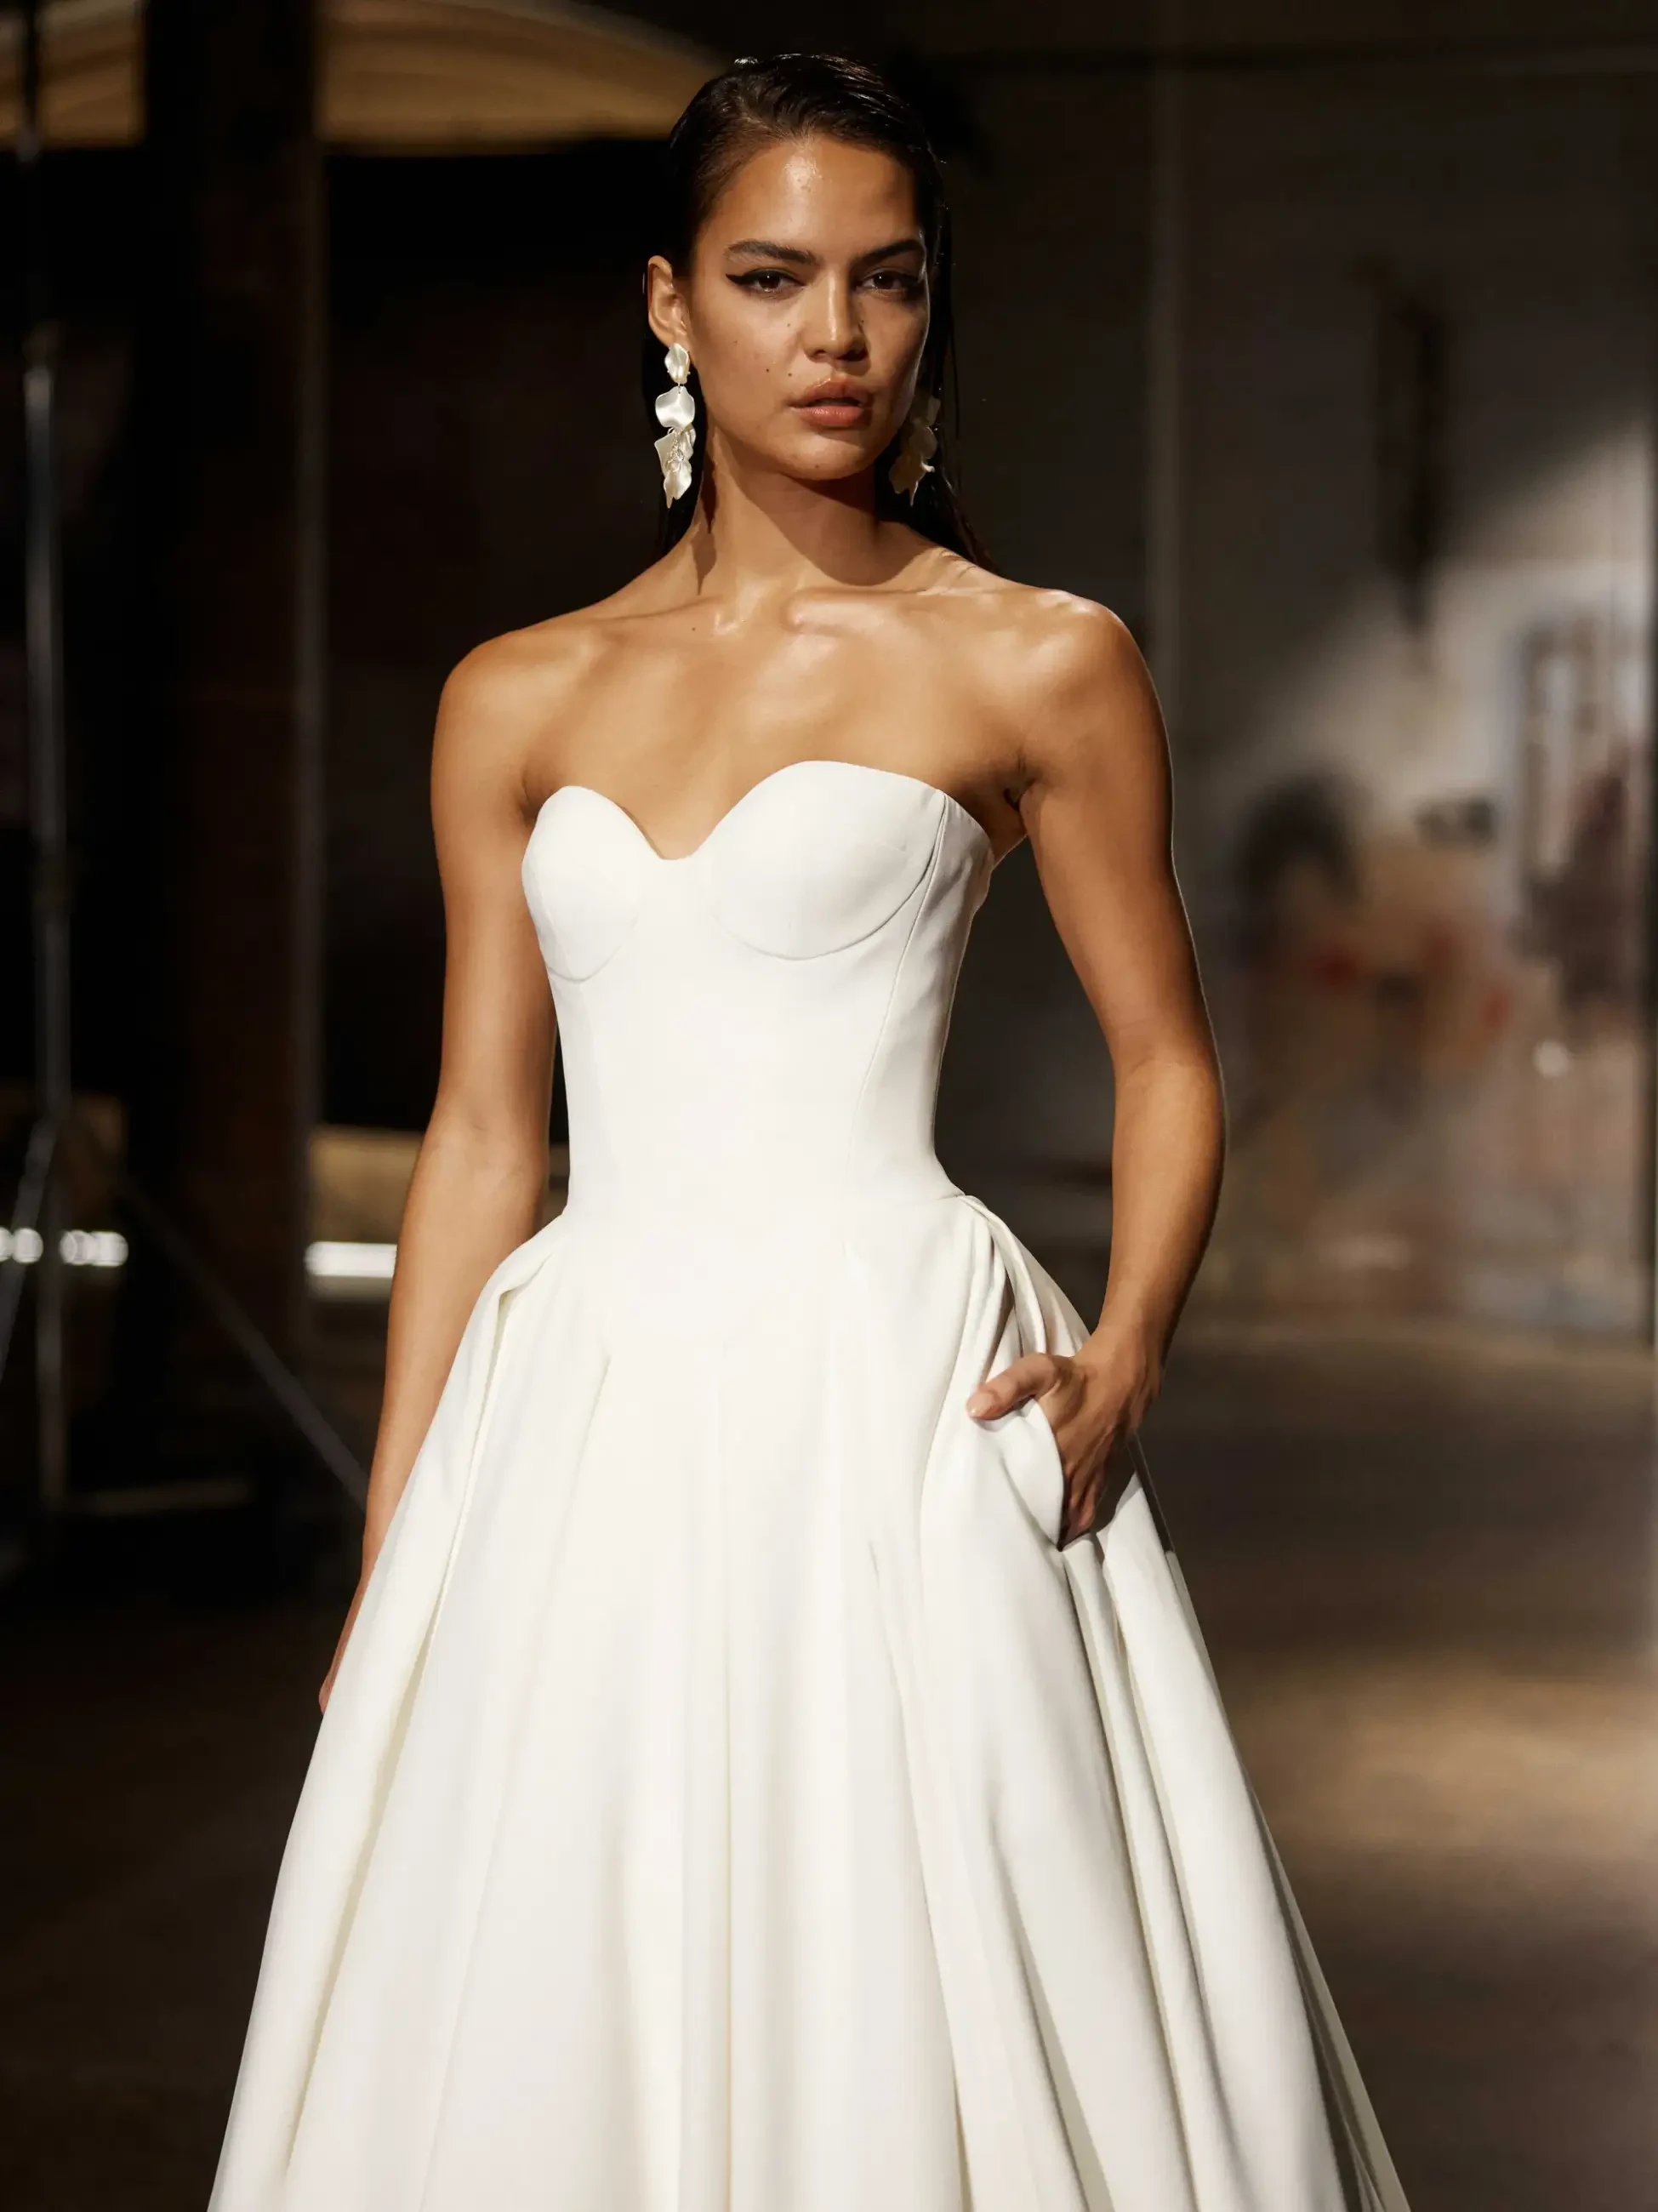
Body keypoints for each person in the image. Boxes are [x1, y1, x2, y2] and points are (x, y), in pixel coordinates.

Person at [209, 54, 1408, 2212]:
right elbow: (489, 1140)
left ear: (933, 305)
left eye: (884, 281)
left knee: (918, 1977)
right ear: (669, 305)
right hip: (576, 1416)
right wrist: (397, 1551)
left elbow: (1166, 1058)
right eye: (772, 279)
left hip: (899, 1401)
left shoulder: (1034, 661)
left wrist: (1126, 1351)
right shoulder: (518, 691)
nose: (833, 338)